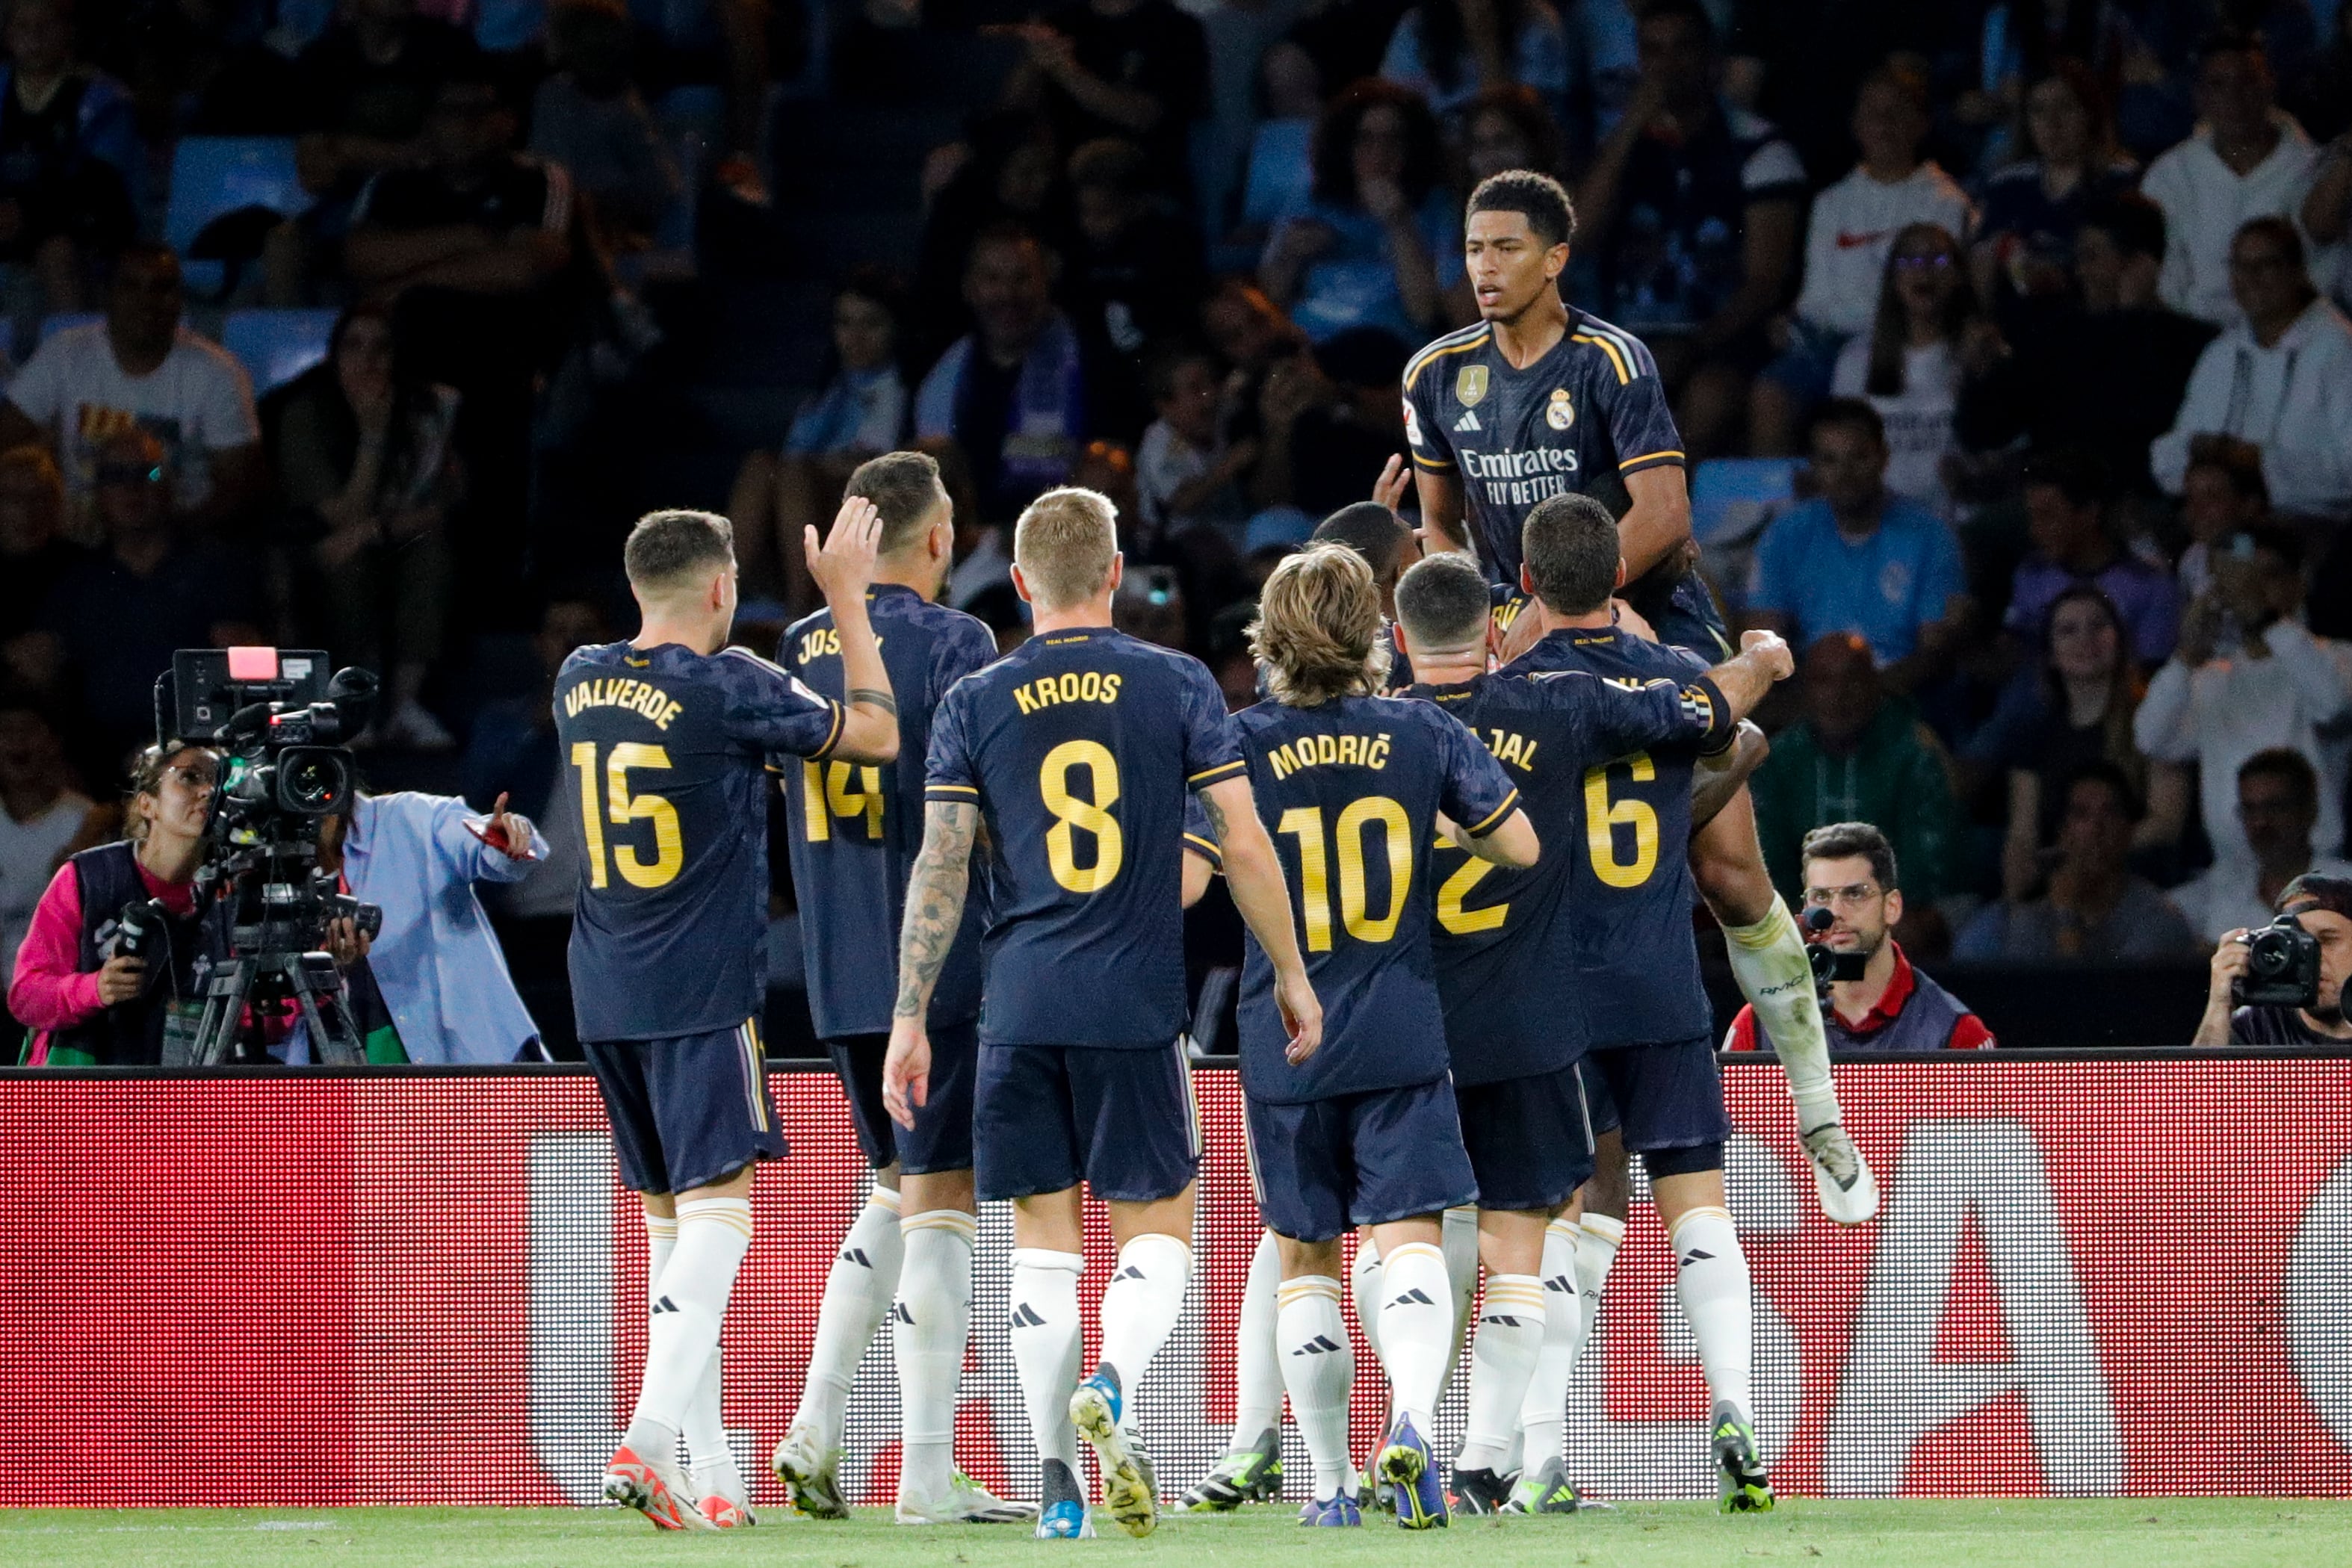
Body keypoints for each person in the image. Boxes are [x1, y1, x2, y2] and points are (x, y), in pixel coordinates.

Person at [1405, 170, 1877, 1224]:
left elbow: (1663, 512)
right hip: (1513, 630)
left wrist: (1564, 607)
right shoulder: (1435, 374)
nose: (1484, 268)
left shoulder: (1612, 360)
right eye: (1474, 248)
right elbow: (1440, 525)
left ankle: (1816, 1103)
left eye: (1507, 249)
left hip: (1649, 616)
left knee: (1727, 864)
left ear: (1556, 258)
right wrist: (1493, 619)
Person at [880, 486, 1320, 1540]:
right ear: (1115, 573)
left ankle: (1055, 1480)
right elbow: (1244, 845)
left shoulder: (975, 698)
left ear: (1021, 582)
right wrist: (1293, 971)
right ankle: (1116, 1376)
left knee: (1040, 1244)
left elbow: (940, 862)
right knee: (1159, 1227)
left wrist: (908, 1015)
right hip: (1132, 998)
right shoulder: (1173, 682)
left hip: (1016, 1001)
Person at [1395, 545, 1790, 1514]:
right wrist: (1761, 670)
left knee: (1557, 1227)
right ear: (1618, 568)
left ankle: (1542, 1452)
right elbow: (1721, 732)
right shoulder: (1675, 680)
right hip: (1663, 983)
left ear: (1523, 583)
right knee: (1700, 1209)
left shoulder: (1520, 695)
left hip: (1559, 993)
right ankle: (1735, 1404)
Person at [564, 503, 901, 1532]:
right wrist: (845, 595)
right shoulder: (732, 683)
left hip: (601, 985)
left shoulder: (577, 675)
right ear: (722, 590)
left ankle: (714, 1473)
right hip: (700, 985)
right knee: (721, 1221)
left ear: (637, 586)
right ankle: (650, 1437)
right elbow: (877, 735)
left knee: (676, 1240)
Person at [1229, 545, 1538, 1530]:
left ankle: (1329, 1483)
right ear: (1376, 632)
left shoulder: (1235, 741)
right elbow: (1520, 845)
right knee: (1407, 1242)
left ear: (1270, 636)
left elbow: (1198, 871)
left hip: (1284, 1032)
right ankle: (1411, 1421)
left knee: (1307, 1258)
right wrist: (1434, 831)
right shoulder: (1420, 728)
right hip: (1401, 1019)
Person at [764, 453, 1030, 1528]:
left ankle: (815, 1427)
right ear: (936, 540)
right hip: (934, 955)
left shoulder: (791, 643)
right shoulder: (957, 640)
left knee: (892, 1184)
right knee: (942, 1201)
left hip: (834, 959)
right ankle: (926, 1469)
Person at [1572, 0, 1804, 457]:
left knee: (1707, 400)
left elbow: (1763, 283)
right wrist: (1633, 125)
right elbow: (1580, 238)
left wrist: (1693, 346)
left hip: (1721, 337)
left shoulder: (1759, 147)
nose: (1667, 65)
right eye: (1653, 51)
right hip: (1629, 334)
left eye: (1682, 49)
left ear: (1711, 59)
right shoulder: (1621, 148)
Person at [1751, 58, 1972, 454]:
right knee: (1772, 392)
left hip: (1904, 343)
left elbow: (1934, 296)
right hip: (1830, 344)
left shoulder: (1945, 203)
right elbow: (1816, 297)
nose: (1884, 122)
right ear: (1855, 123)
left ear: (1922, 123)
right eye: (1873, 112)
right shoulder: (1831, 202)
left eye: (1897, 111)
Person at [274, 303, 463, 750]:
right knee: (349, 562)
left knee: (430, 549)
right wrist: (373, 436)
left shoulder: (424, 409)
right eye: (354, 346)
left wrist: (371, 531)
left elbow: (443, 504)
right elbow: (341, 516)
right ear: (333, 356)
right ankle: (353, 706)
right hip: (310, 551)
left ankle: (404, 707)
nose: (369, 360)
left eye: (382, 347)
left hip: (383, 540)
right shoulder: (306, 414)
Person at [1955, 195, 2218, 496]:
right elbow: (1984, 432)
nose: (2081, 271)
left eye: (2093, 257)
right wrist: (1979, 376)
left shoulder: (2193, 343)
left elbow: (2136, 421)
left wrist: (2132, 318)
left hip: (2144, 500)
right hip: (2056, 505)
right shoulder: (2055, 334)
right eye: (2080, 258)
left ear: (2140, 264)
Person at [0, 243, 264, 535]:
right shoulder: (64, 355)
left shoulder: (219, 373)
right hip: (78, 538)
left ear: (179, 300)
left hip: (179, 537)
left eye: (161, 288)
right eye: (131, 286)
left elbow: (239, 486)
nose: (147, 300)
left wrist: (169, 538)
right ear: (109, 295)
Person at [34, 428, 264, 761]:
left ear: (170, 485)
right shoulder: (76, 581)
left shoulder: (215, 567)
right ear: (97, 491)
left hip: (199, 749)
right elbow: (37, 667)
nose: (132, 488)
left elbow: (247, 665)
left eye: (149, 473)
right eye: (116, 476)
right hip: (98, 758)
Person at [2137, 525, 2351, 879]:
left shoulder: (2338, 658)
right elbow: (2152, 739)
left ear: (2299, 583)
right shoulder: (2209, 677)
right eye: (2239, 582)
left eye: (2267, 577)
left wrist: (2264, 618)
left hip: (2318, 873)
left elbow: (2332, 707)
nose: (2250, 591)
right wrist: (2186, 654)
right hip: (2234, 876)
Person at [1969, 585, 2187, 901]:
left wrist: (2082, 852)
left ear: (2120, 640)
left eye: (2098, 626)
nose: (2086, 638)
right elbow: (2022, 834)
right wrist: (2015, 903)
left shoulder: (2154, 721)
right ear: (2051, 654)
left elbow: (2166, 823)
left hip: (2134, 884)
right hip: (2052, 890)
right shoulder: (2033, 733)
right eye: (2068, 630)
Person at [300, 785, 548, 1062]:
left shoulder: (411, 816)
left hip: (475, 1062)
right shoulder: (265, 861)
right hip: (351, 1070)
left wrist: (505, 838)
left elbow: (478, 844)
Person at [7, 741, 214, 1065]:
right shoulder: (88, 878)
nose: (209, 791)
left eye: (220, 780)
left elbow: (268, 1025)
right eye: (190, 777)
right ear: (147, 804)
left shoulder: (227, 894)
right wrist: (95, 989)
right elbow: (26, 996)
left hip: (178, 1094)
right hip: (81, 1091)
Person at [1745, 398, 1967, 686]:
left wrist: (1858, 696)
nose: (1845, 474)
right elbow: (1763, 645)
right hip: (1814, 698)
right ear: (1813, 467)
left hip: (1901, 701)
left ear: (1884, 458)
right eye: (1829, 460)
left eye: (1859, 457)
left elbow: (1935, 656)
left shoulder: (1931, 536)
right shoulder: (1785, 535)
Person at [1749, 632, 1961, 928]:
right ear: (1805, 691)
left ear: (1875, 685)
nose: (1839, 695)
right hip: (1803, 921)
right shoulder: (1779, 760)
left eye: (1853, 679)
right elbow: (1767, 861)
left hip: (1897, 919)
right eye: (1824, 681)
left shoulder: (1913, 752)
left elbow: (1926, 869)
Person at [1727, 821, 1994, 1052]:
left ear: (1892, 907)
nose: (1835, 912)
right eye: (1821, 897)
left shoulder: (1956, 1032)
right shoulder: (1760, 1025)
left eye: (1854, 894)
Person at [2150, 218, 2352, 523]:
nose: (2251, 278)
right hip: (2223, 522)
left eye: (2265, 265)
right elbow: (2168, 459)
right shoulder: (2223, 352)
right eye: (2240, 267)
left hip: (2310, 527)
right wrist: (2205, 451)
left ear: (2297, 271)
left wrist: (2257, 461)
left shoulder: (2338, 347)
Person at [731, 271, 914, 608]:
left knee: (795, 473)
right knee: (761, 464)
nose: (855, 337)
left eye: (872, 324)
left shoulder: (908, 389)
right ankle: (725, 598)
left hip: (863, 514)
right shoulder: (828, 391)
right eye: (845, 323)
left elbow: (881, 465)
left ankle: (801, 609)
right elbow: (791, 453)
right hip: (801, 504)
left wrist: (818, 467)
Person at [914, 226, 1096, 528]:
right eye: (993, 279)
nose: (1007, 295)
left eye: (1021, 279)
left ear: (1045, 283)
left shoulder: (1087, 361)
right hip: (968, 541)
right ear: (970, 288)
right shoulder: (945, 375)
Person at [2141, 30, 2324, 329]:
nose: (2234, 97)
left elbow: (2322, 272)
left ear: (2270, 85)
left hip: (2289, 336)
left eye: (2248, 82)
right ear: (2200, 96)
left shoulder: (2311, 170)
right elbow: (2164, 273)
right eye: (2218, 85)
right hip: (2190, 336)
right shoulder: (2170, 175)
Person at [1259, 80, 1455, 350]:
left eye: (1393, 140)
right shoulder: (1311, 199)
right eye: (1365, 139)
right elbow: (1272, 297)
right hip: (1311, 340)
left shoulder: (1435, 206)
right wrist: (1289, 256)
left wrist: (1399, 223)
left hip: (1388, 344)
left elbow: (1425, 314)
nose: (1379, 154)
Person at [1955, 762, 2200, 964]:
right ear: (2063, 833)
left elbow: (2109, 1007)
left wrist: (2067, 920)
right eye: (2081, 814)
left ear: (2129, 830)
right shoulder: (2033, 918)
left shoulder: (2157, 919)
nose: (2096, 828)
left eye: (2110, 813)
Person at [0, 0, 140, 314]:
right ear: (8, 35)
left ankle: (75, 348)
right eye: (23, 27)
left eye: (46, 25)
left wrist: (26, 213)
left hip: (79, 223)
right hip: (9, 220)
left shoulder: (104, 98)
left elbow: (101, 185)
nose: (34, 37)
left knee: (57, 251)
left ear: (68, 31)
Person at [1828, 223, 1975, 515]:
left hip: (1960, 520)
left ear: (1958, 275)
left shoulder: (1976, 353)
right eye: (1909, 260)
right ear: (1894, 279)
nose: (1924, 270)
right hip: (1883, 520)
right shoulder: (1857, 359)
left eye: (1939, 260)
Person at [1969, 61, 2138, 312]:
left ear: (2089, 113)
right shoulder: (2007, 185)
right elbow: (1980, 262)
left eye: (2065, 107)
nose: (2052, 122)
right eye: (2039, 111)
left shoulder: (2122, 183)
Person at [1000, 0, 1209, 193]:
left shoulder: (1177, 28)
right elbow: (1011, 114)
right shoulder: (1060, 24)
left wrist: (1064, 70)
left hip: (1144, 196)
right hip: (1070, 193)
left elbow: (1145, 116)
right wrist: (1032, 62)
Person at [527, 0, 682, 258]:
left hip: (620, 226)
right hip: (563, 224)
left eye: (607, 44)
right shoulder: (554, 98)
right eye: (589, 45)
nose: (600, 54)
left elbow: (661, 186)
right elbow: (548, 171)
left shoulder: (629, 107)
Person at [2004, 447, 2177, 669]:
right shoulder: (2031, 574)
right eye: (2032, 516)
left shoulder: (2150, 585)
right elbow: (2010, 657)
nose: (2035, 530)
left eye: (2047, 516)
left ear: (2089, 514)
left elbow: (2151, 678)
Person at [2172, 750, 2352, 943]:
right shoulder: (2222, 888)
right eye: (2250, 809)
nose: (2261, 823)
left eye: (2274, 807)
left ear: (2308, 810)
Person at [0, 704, 93, 1016]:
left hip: (56, 997)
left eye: (27, 731)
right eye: (6, 732)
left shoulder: (82, 820)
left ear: (53, 742)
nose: (17, 743)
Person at [2193, 872, 2352, 1044]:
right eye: (2298, 942)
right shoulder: (2256, 1025)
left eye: (2327, 940)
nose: (2310, 956)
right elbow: (2203, 1072)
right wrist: (2219, 1006)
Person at [1378, 0, 1570, 123]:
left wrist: (1487, 45)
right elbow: (1391, 121)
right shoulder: (1415, 29)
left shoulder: (1536, 26)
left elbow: (1526, 137)